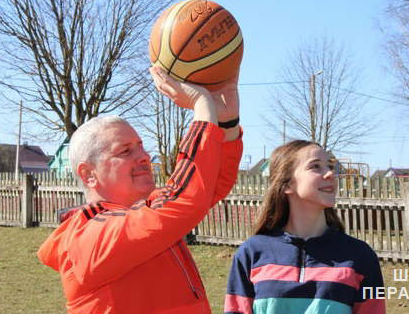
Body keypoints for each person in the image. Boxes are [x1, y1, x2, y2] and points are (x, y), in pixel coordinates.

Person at [37, 66, 243, 314]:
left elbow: (210, 185)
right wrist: (201, 105)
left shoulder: (144, 211)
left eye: (141, 147)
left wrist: (228, 120)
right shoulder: (89, 236)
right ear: (88, 174)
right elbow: (185, 201)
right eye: (125, 151)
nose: (144, 156)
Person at [224, 140, 386, 314]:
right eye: (316, 166)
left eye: (330, 166)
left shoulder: (362, 256)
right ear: (287, 184)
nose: (330, 173)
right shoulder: (250, 253)